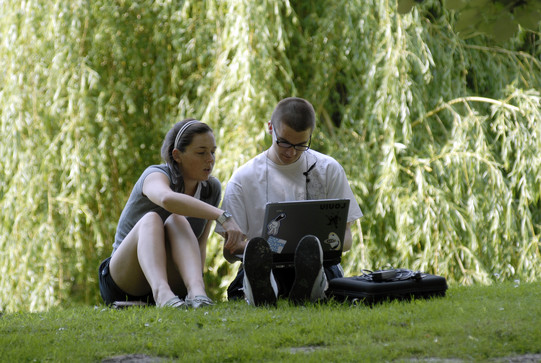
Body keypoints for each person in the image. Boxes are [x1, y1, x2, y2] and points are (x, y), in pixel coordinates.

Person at [216, 97, 363, 306]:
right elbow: (230, 252)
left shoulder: (328, 169)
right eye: (284, 142)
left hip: (319, 262)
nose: (291, 152)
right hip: (265, 264)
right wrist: (259, 249)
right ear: (270, 128)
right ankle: (265, 286)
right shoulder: (242, 179)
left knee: (317, 264)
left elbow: (346, 239)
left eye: (301, 145)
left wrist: (324, 245)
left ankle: (311, 282)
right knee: (261, 266)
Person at [99, 119, 245, 309]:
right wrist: (223, 216)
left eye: (212, 152)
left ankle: (197, 294)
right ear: (177, 155)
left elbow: (200, 243)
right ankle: (161, 294)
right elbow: (167, 199)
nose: (210, 159)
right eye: (201, 153)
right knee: (156, 218)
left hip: (174, 283)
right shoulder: (155, 175)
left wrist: (196, 285)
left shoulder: (211, 189)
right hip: (126, 278)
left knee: (178, 221)